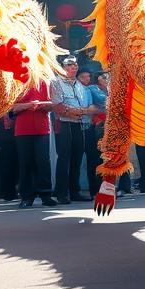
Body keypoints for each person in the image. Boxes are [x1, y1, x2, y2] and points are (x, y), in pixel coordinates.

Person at [49, 55, 91, 203]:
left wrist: (83, 111)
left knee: (77, 158)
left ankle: (75, 191)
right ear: (63, 67)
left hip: (79, 124)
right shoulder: (55, 82)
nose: (74, 67)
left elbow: (84, 105)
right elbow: (56, 105)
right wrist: (72, 112)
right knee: (64, 158)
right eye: (70, 64)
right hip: (64, 123)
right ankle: (61, 193)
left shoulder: (79, 85)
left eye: (75, 65)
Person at [12, 79, 56, 208]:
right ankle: (26, 196)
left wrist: (43, 105)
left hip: (42, 128)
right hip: (23, 129)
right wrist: (28, 105)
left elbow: (53, 103)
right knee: (25, 162)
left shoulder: (44, 82)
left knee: (43, 161)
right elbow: (12, 109)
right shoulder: (18, 83)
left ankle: (46, 195)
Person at [78, 68, 103, 197]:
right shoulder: (76, 88)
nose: (86, 79)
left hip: (90, 127)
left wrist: (93, 111)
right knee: (75, 159)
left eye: (88, 76)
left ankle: (95, 188)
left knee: (93, 159)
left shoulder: (92, 89)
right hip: (77, 125)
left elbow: (102, 103)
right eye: (83, 77)